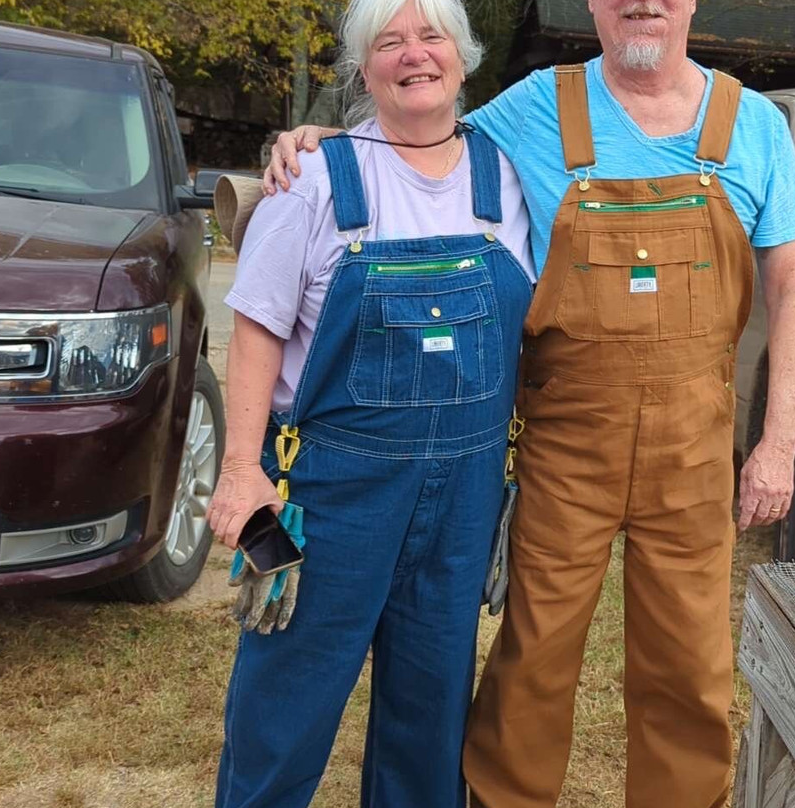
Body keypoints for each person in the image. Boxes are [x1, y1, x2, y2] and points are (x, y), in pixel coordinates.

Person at [264, 1, 795, 805]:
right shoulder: (533, 109)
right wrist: (326, 143)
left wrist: (778, 443)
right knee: (533, 658)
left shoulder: (755, 125)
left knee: (691, 668)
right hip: (565, 448)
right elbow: (419, 127)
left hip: (695, 452)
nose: (641, 3)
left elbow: (792, 289)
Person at [204, 0, 535, 805]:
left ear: (464, 57)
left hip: (465, 500)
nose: (413, 55)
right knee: (284, 706)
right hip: (333, 495)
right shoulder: (313, 179)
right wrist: (241, 470)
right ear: (363, 70)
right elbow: (255, 328)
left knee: (430, 717)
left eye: (431, 37)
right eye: (389, 42)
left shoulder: (510, 177)